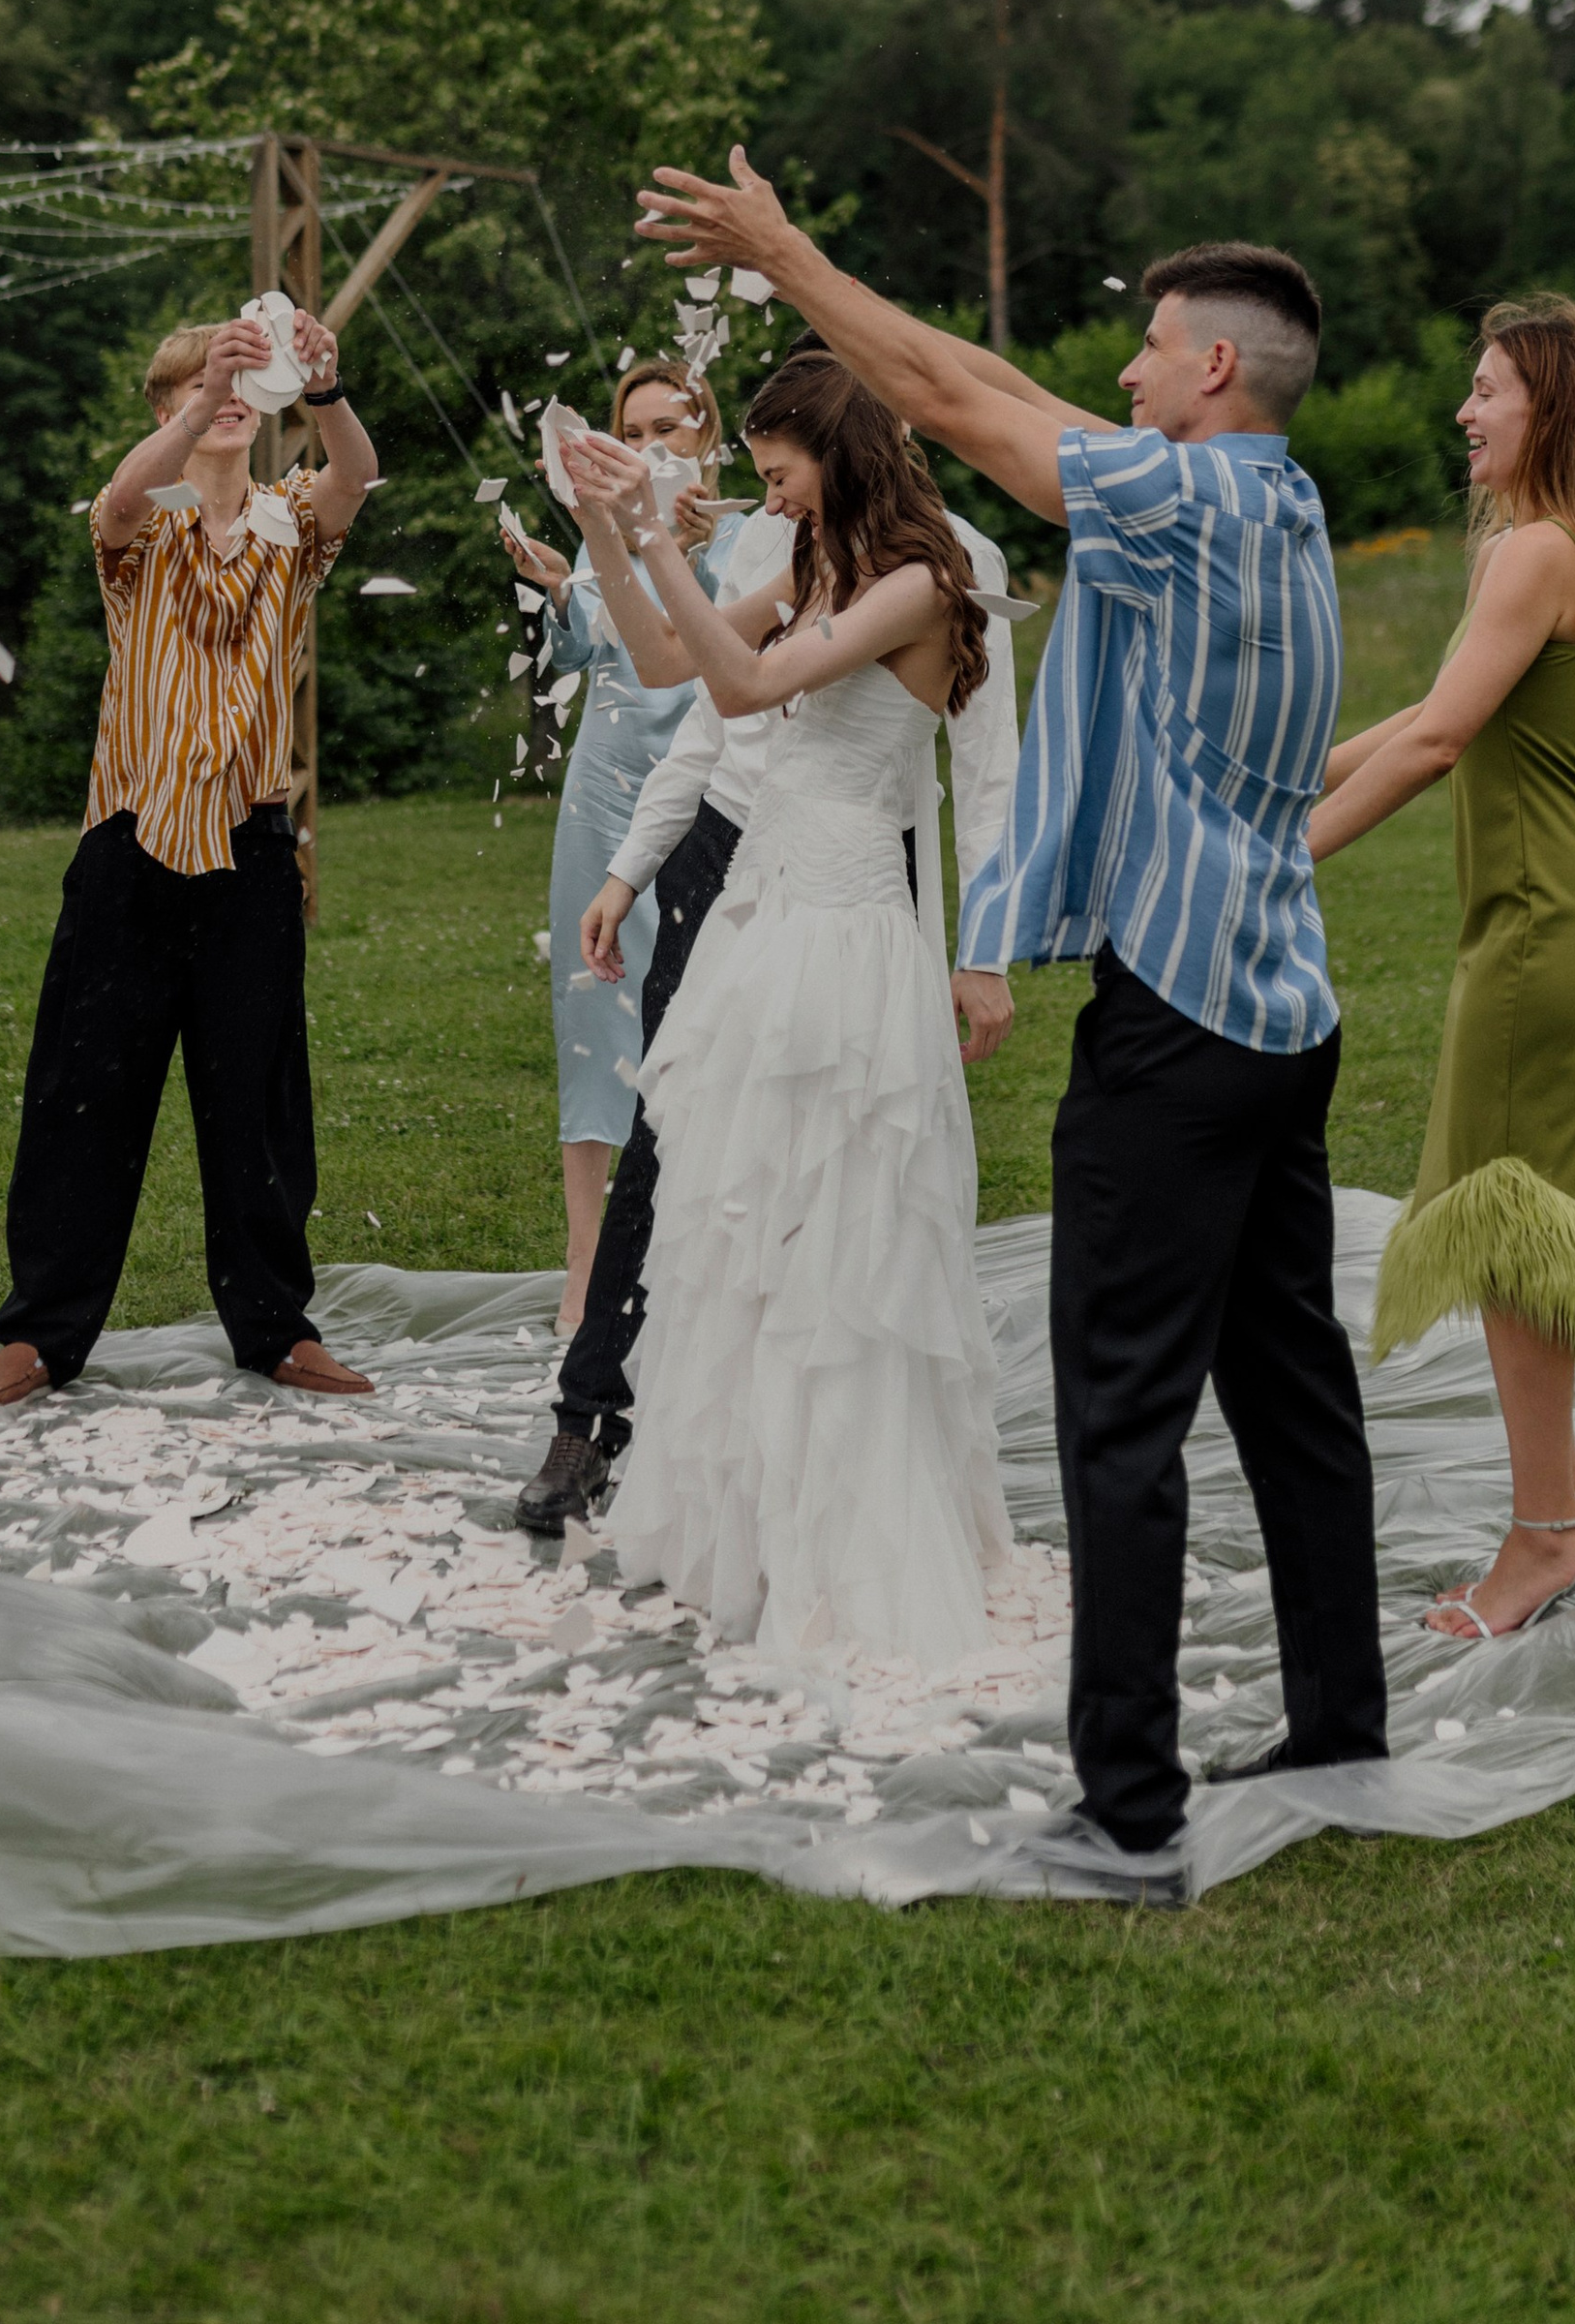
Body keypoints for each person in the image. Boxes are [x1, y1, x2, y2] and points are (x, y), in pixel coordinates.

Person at [633, 153, 1387, 1895]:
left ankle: (1127, 1813)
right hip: (1283, 1004)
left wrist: (783, 251)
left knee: (1119, 1417)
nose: (1121, 371)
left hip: (1181, 1023)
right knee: (1293, 1393)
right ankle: (1340, 1721)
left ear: (1214, 369)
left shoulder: (1184, 507)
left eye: (1146, 347)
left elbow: (958, 397)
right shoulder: (1283, 500)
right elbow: (1015, 401)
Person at [515, 349, 1021, 1534]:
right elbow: (668, 675)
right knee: (691, 1147)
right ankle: (607, 1420)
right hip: (739, 868)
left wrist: (984, 941)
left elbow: (969, 766)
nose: (767, 490)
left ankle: (827, 1451)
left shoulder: (935, 574)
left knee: (834, 1174)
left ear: (838, 451)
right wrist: (610, 523)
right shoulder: (792, 551)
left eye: (779, 469)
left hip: (851, 883)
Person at [1311, 298, 1575, 1640]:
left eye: (1488, 390)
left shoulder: (1533, 551)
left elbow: (1442, 745)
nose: (1466, 410)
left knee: (1512, 1226)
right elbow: (1434, 712)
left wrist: (1283, 859)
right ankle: (1555, 1515)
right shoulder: (1540, 552)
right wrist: (1300, 774)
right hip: (1550, 912)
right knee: (1515, 1220)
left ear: (1549, 411)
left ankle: (1548, 1537)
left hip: (1543, 921)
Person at [0, 308, 380, 1409]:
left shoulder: (292, 522)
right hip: (131, 841)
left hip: (249, 848)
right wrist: (203, 397)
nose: (228, 391)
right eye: (200, 382)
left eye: (242, 378)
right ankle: (43, 1335)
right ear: (167, 405)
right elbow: (119, 500)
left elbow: (356, 474)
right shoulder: (141, 521)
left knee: (258, 1099)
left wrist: (325, 391)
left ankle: (275, 1327)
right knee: (81, 1095)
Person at [504, 360, 749, 1328]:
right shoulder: (600, 529)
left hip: (708, 787)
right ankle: (585, 1265)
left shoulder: (741, 533)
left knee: (707, 1018)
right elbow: (580, 653)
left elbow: (726, 654)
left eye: (669, 426)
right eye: (632, 427)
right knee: (593, 1021)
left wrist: (673, 549)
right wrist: (563, 585)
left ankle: (698, 1248)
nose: (650, 444)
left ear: (705, 433)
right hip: (603, 791)